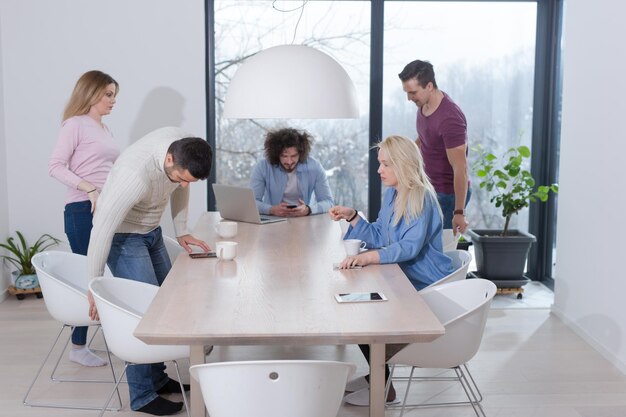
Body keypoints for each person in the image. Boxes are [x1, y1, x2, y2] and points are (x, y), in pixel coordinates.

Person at [86, 127, 212, 416]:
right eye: (181, 179)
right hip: (123, 236)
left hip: (151, 231)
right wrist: (93, 286)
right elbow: (101, 230)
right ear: (169, 160)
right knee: (142, 313)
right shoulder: (134, 176)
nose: (183, 185)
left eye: (188, 181)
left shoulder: (184, 147)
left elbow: (184, 187)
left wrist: (181, 231)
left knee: (165, 305)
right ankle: (142, 395)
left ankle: (157, 377)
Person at [329, 135, 453, 406]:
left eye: (385, 164)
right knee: (355, 305)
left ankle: (382, 384)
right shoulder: (392, 195)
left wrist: (368, 258)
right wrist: (353, 216)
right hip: (401, 280)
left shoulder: (421, 198)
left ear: (403, 164)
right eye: (379, 163)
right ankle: (379, 378)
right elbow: (380, 235)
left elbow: (408, 248)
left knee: (363, 314)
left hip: (424, 288)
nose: (379, 170)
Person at [48, 70, 119, 368]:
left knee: (104, 276)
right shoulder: (75, 125)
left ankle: (116, 336)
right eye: (108, 94)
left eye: (115, 95)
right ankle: (78, 347)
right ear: (91, 94)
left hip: (105, 211)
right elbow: (54, 166)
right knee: (89, 277)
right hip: (81, 211)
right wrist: (89, 188)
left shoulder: (104, 129)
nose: (113, 101)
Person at [398, 59, 470, 234]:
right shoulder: (424, 104)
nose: (409, 98)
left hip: (447, 195)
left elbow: (461, 168)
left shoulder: (449, 118)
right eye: (406, 93)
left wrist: (459, 212)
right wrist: (403, 155)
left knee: (439, 252)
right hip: (430, 189)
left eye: (413, 93)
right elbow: (426, 137)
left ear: (429, 86)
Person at [250, 127, 334, 217]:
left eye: (293, 156)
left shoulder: (315, 167)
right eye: (284, 156)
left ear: (301, 153)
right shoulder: (263, 167)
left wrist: (308, 209)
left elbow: (329, 203)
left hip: (305, 221)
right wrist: (271, 210)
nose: (289, 161)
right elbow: (251, 203)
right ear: (276, 154)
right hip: (273, 220)